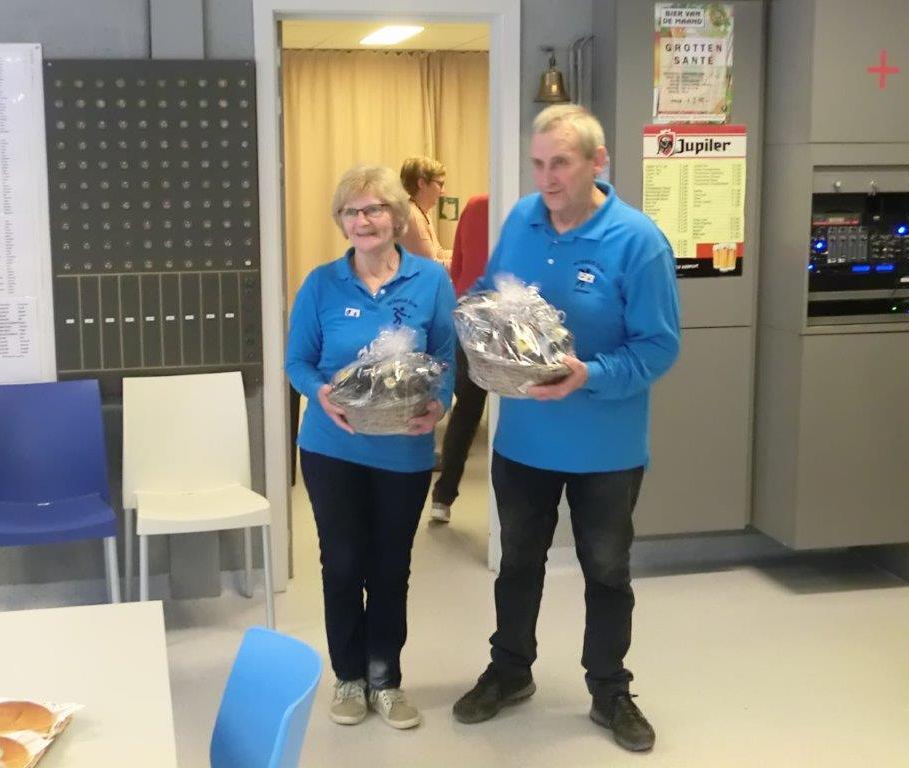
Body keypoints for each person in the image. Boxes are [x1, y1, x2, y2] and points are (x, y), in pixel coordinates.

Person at [451, 105, 681, 754]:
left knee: (606, 571)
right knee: (518, 563)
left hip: (606, 449)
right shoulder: (522, 219)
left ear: (597, 162)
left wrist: (590, 375)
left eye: (561, 163)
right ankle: (510, 670)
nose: (547, 178)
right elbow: (492, 295)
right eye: (539, 164)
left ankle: (609, 688)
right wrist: (481, 331)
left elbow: (659, 347)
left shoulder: (638, 242)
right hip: (524, 441)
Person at [286, 164, 456, 730]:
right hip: (332, 448)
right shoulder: (321, 284)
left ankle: (385, 679)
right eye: (352, 211)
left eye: (375, 209)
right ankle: (348, 677)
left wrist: (440, 404)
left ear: (396, 216)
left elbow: (446, 357)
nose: (363, 220)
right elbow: (297, 362)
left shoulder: (430, 281)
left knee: (389, 567)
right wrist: (320, 394)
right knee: (341, 563)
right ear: (341, 222)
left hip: (403, 452)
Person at [429, 194, 489, 523]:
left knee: (467, 408)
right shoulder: (523, 209)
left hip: (467, 314)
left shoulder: (474, 206)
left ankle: (443, 496)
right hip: (504, 320)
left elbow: (458, 268)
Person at [398, 156, 452, 268]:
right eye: (440, 184)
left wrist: (467, 253)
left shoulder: (420, 212)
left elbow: (439, 253)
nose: (443, 192)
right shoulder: (413, 215)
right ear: (421, 183)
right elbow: (432, 266)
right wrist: (468, 262)